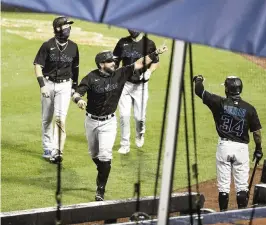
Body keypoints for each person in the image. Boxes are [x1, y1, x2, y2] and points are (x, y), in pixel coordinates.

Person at [72, 45, 167, 201]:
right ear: (101, 64)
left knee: (105, 154)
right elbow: (77, 92)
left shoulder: (120, 74)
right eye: (110, 62)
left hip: (108, 123)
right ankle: (103, 171)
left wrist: (156, 53)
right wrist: (79, 100)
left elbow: (140, 63)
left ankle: (100, 189)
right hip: (91, 121)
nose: (114, 64)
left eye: (113, 61)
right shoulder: (91, 77)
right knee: (94, 154)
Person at [193, 75, 263, 211]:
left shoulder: (218, 102)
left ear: (227, 89)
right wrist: (258, 149)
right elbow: (256, 133)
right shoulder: (249, 108)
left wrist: (199, 79)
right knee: (242, 186)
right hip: (241, 149)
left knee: (223, 187)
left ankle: (222, 216)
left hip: (224, 147)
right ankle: (242, 216)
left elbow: (199, 91)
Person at [33, 16, 79, 163]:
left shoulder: (73, 47)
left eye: (69, 27)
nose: (68, 29)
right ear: (58, 29)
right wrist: (42, 85)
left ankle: (57, 151)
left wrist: (74, 88)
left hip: (64, 86)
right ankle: (47, 147)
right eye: (66, 27)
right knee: (47, 119)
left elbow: (75, 68)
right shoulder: (47, 46)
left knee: (60, 119)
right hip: (48, 83)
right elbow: (38, 66)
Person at [113, 29, 159, 154]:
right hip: (125, 85)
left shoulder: (149, 44)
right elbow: (115, 61)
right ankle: (125, 144)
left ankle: (140, 134)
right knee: (124, 116)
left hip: (141, 87)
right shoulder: (122, 42)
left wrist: (149, 72)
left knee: (139, 117)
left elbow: (155, 62)